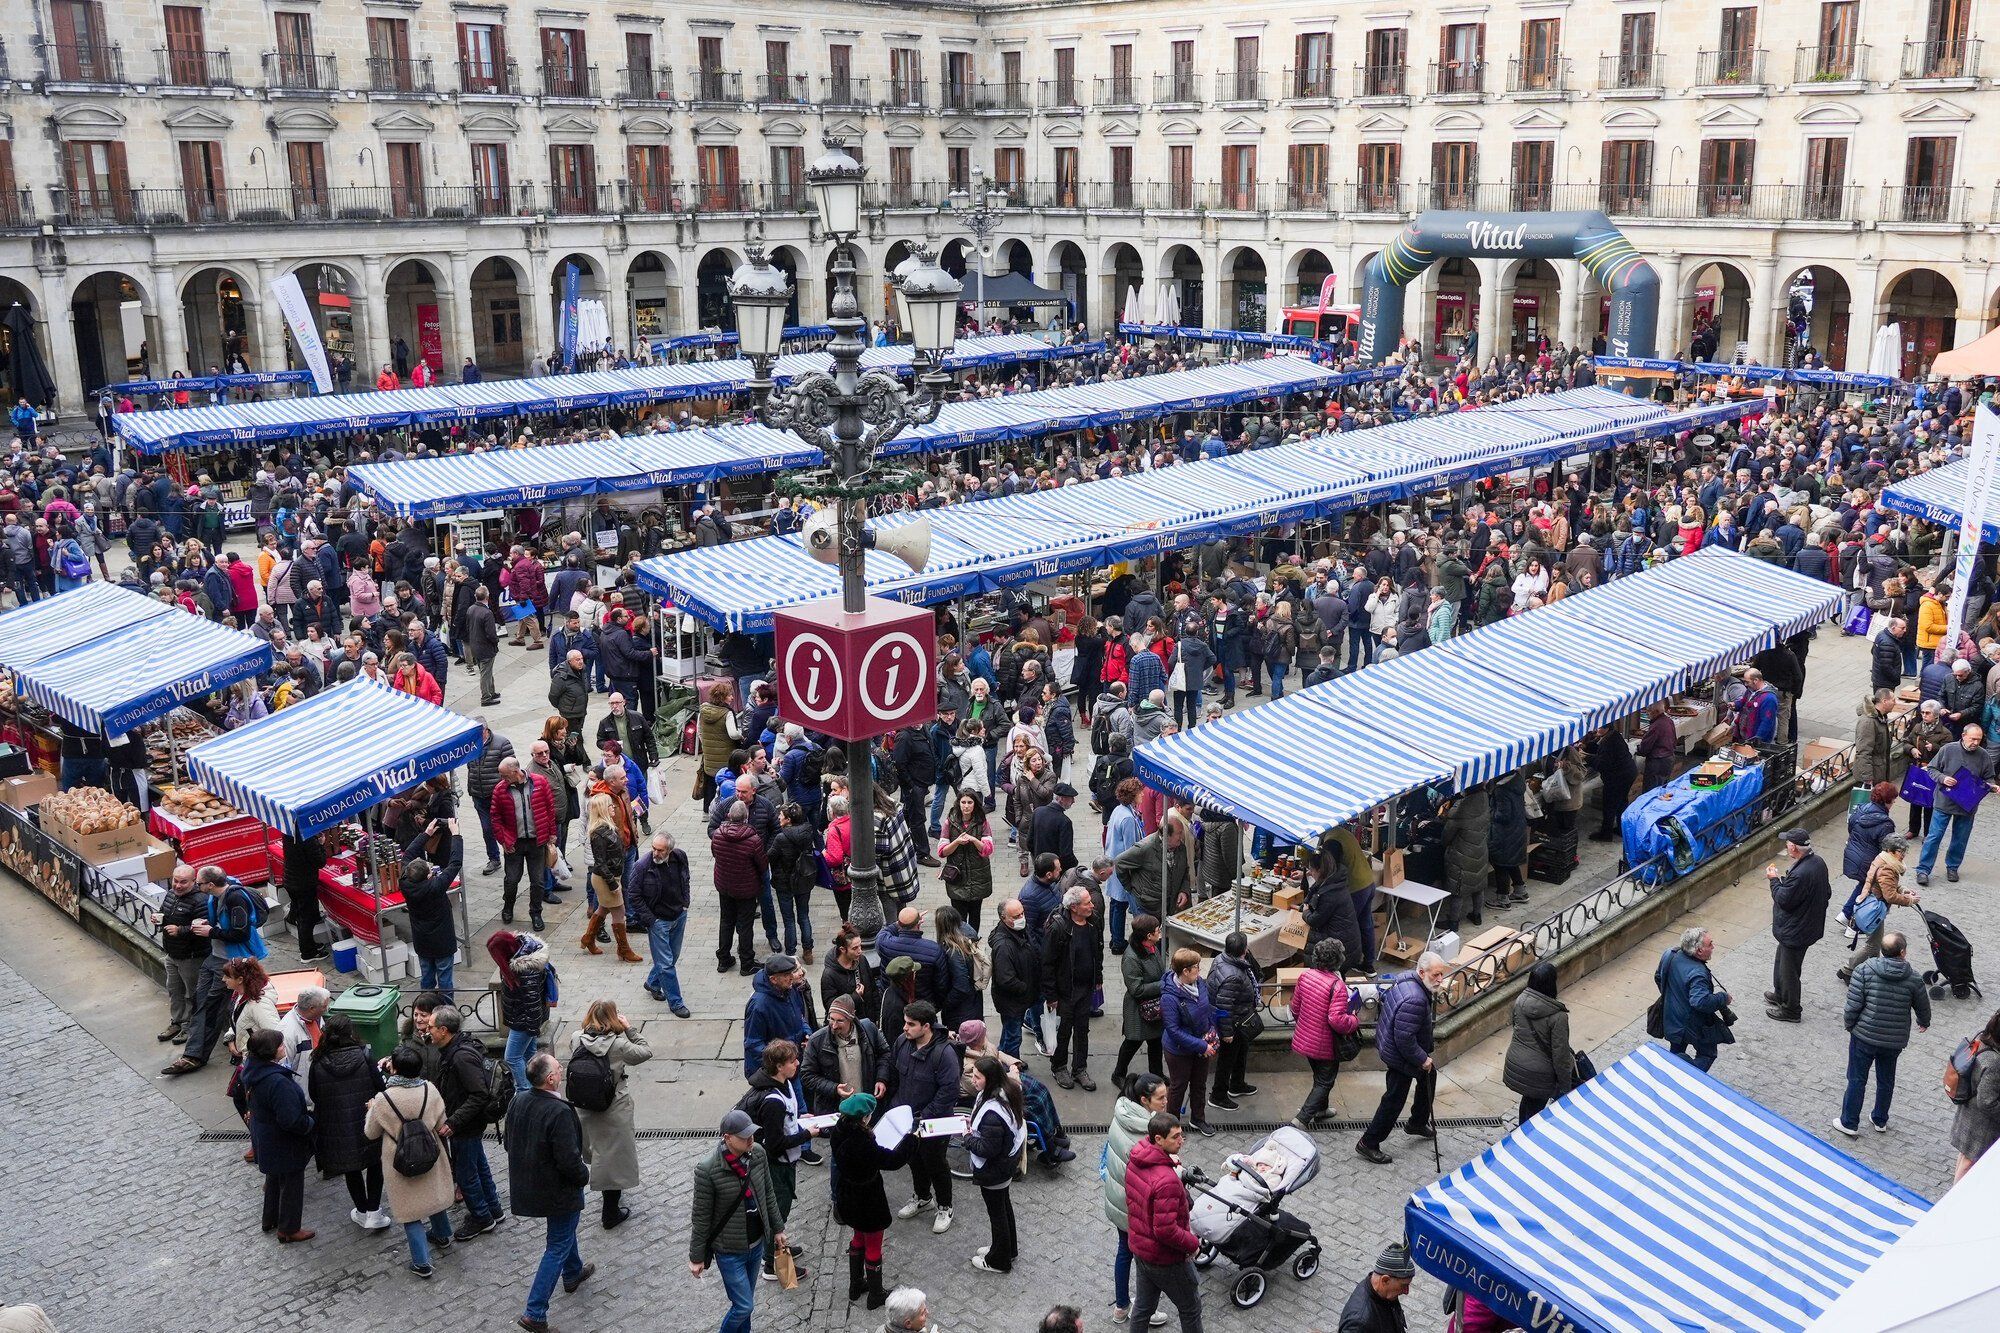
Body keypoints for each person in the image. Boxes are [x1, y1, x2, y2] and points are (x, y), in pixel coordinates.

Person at [508, 1052, 594, 1332]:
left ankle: (573, 1272)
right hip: (558, 1190)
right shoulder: (558, 1111)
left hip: (532, 1185)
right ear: (551, 1079)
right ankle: (535, 1312)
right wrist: (584, 1176)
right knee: (557, 1243)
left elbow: (510, 1142)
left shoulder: (519, 1100)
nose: (562, 1070)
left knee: (563, 1232)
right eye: (559, 1068)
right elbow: (569, 1159)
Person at [161, 865, 268, 1076]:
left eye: (198, 883)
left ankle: (195, 1056)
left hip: (230, 961)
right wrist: (206, 925)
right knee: (202, 1002)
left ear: (210, 885)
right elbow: (219, 924)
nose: (196, 887)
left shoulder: (235, 898)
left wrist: (212, 931)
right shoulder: (214, 898)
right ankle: (196, 1053)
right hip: (215, 957)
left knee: (212, 1006)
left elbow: (241, 933)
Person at [688, 1107, 789, 1333]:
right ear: (728, 1138)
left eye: (752, 1134)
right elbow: (701, 1218)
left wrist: (778, 1228)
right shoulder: (707, 1170)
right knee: (744, 1306)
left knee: (745, 1305)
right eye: (745, 1138)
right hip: (729, 1251)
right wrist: (696, 1257)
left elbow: (768, 1193)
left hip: (756, 1244)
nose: (751, 1141)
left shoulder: (759, 1154)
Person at [363, 1043, 457, 1278]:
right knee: (432, 1195)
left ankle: (422, 1262)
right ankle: (443, 1234)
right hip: (429, 1151)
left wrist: (371, 1109)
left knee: (410, 1210)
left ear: (393, 1069)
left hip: (399, 1160)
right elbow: (440, 1121)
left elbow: (371, 1132)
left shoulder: (383, 1099)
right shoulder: (430, 1089)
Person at [829, 1091, 917, 1311]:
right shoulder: (863, 1143)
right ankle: (876, 1294)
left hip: (848, 1194)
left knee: (858, 1236)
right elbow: (893, 1160)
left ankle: (855, 1284)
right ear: (864, 1118)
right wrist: (911, 1140)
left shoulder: (838, 1132)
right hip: (868, 1198)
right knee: (874, 1244)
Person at [1837, 931, 1931, 1137]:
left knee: (1856, 1079)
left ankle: (1849, 1122)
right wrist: (1924, 1023)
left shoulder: (1863, 971)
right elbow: (1923, 1006)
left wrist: (1850, 1025)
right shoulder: (1914, 978)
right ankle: (1880, 1119)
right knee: (1886, 1080)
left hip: (1864, 1036)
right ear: (1903, 952)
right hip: (1893, 1041)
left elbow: (1852, 1005)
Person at [739, 1038, 817, 1282]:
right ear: (779, 1066)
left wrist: (799, 1119)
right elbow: (775, 1144)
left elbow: (784, 1123)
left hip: (782, 1162)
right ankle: (775, 1267)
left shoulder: (783, 1084)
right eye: (792, 1061)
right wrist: (806, 1134)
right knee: (775, 1215)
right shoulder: (772, 1100)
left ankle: (775, 1250)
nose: (797, 1063)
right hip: (775, 1165)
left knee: (778, 1213)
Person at [1356, 952, 1446, 1163]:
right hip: (1400, 1056)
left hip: (1393, 1048)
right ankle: (1368, 1142)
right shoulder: (1415, 998)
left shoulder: (1407, 979)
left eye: (1442, 974)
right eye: (1436, 975)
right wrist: (1422, 1059)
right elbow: (1405, 1039)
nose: (1440, 980)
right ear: (1422, 972)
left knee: (1428, 1077)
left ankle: (1417, 1122)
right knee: (1394, 1100)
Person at [569, 998, 651, 1230]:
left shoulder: (576, 1038)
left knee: (598, 1154)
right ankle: (610, 1212)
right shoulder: (618, 1045)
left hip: (584, 1106)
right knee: (613, 1157)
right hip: (614, 1108)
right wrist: (629, 1029)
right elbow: (645, 1052)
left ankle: (608, 1199)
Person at [430, 1004, 507, 1237]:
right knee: (480, 1167)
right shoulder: (458, 1049)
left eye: (432, 1027)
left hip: (465, 1126)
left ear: (444, 1030)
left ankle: (482, 1218)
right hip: (469, 1124)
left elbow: (479, 1094)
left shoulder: (460, 1057)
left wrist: (453, 1123)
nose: (428, 1031)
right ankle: (494, 1210)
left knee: (466, 1174)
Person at [307, 1013, 389, 1230]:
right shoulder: (364, 1055)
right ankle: (374, 1211)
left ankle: (361, 1210)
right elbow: (380, 1087)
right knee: (374, 1163)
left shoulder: (318, 1061)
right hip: (367, 1120)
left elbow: (314, 1094)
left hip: (336, 1125)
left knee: (350, 1168)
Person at [1125, 1111, 1204, 1333]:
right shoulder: (1166, 1181)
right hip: (1165, 1258)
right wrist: (1192, 1243)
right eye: (1175, 1137)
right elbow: (1166, 1230)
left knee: (1143, 1306)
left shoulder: (1137, 1157)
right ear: (1158, 1139)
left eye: (1181, 1135)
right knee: (1190, 1308)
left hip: (1142, 1248)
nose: (1181, 1141)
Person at [1104, 1073, 1172, 1325]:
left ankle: (1121, 1306)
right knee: (1146, 1258)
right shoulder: (1146, 1133)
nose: (1165, 1102)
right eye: (1160, 1098)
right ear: (1144, 1100)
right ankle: (1145, 1309)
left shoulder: (1122, 1111)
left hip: (1118, 1196)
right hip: (1134, 1204)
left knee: (1124, 1252)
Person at [889, 1001, 962, 1234]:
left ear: (927, 1026)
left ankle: (945, 1206)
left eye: (911, 1024)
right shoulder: (902, 1043)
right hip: (907, 1119)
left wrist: (923, 1118)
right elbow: (894, 1074)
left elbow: (948, 1093)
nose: (905, 1028)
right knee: (914, 1160)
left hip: (933, 1123)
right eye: (905, 1022)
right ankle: (922, 1198)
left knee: (936, 1164)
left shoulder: (945, 1054)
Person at [240, 1027, 316, 1242]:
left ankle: (270, 1218)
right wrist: (309, 1123)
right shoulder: (278, 1082)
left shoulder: (253, 1071)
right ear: (270, 1052)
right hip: (284, 1142)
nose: (284, 1047)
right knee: (292, 1183)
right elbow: (291, 1120)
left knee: (274, 1178)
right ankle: (289, 1229)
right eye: (280, 1045)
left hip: (266, 1136)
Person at [1916, 722, 2000, 886]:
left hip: (1967, 805)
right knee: (1934, 837)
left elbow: (1988, 778)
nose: (1975, 742)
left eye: (1979, 739)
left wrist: (1992, 787)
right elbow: (1932, 769)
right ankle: (1923, 870)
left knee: (1960, 839)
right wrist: (1943, 778)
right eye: (1973, 739)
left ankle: (1952, 867)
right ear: (1963, 736)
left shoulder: (1983, 755)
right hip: (1944, 801)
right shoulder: (1948, 749)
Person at [1290, 938, 1360, 1127]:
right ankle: (1302, 1119)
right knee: (1325, 1081)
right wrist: (1353, 1019)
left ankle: (1321, 1109)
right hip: (1326, 1043)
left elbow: (1295, 1008)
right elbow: (1337, 1020)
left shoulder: (1306, 976)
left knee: (1319, 1076)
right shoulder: (1337, 986)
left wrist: (1306, 1024)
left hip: (1305, 1037)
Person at [966, 1054, 1026, 1273]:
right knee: (1004, 1207)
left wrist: (967, 1138)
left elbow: (987, 1149)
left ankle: (999, 1260)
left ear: (989, 1079)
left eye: (978, 1076)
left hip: (994, 1170)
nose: (973, 1080)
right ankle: (1008, 1249)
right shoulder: (1006, 1093)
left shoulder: (993, 1112)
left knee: (997, 1214)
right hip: (1005, 1166)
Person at [1765, 827, 1832, 1023]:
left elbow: (1783, 899)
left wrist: (1774, 880)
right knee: (1782, 963)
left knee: (1789, 971)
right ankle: (1780, 994)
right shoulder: (1818, 863)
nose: (1785, 845)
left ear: (1793, 848)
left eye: (1787, 843)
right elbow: (1826, 892)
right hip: (1804, 926)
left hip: (1797, 930)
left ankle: (1791, 1009)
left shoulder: (1801, 873)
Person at [1043, 882, 1104, 1091]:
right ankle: (1059, 1066)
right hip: (1064, 991)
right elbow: (1048, 964)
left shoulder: (1093, 922)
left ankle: (1080, 1068)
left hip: (1085, 988)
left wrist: (1098, 978)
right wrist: (1051, 996)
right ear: (1074, 907)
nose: (1092, 906)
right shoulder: (1059, 928)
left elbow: (1098, 951)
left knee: (1082, 1030)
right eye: (1087, 903)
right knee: (1064, 1031)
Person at [627, 832, 693, 1016]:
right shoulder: (642, 866)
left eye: (660, 850)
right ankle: (676, 1003)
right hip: (658, 921)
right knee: (666, 964)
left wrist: (685, 903)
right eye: (653, 848)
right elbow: (633, 895)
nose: (655, 853)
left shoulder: (679, 857)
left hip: (678, 916)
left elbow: (685, 878)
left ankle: (653, 982)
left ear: (669, 850)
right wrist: (652, 921)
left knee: (673, 956)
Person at [1502, 962, 1577, 1123]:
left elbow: (1516, 1027)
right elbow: (1560, 1054)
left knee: (1529, 1100)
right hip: (1540, 1073)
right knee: (1535, 1108)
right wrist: (1565, 1086)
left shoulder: (1521, 1001)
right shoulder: (1558, 1016)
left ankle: (1521, 1131)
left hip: (1516, 1064)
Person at [1841, 834, 1920, 980]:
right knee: (1873, 946)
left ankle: (1873, 970)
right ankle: (1847, 969)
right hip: (1875, 912)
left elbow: (1888, 885)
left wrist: (1903, 890)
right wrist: (1908, 900)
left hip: (1874, 909)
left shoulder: (1883, 860)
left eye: (1904, 852)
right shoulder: (1888, 868)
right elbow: (1890, 895)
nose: (1903, 855)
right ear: (1890, 851)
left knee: (1874, 944)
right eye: (1900, 852)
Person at [491, 757, 557, 930]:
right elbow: (495, 818)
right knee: (512, 879)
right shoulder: (500, 790)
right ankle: (508, 906)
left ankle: (536, 913)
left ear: (515, 772)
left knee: (538, 881)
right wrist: (503, 840)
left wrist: (552, 834)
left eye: (504, 775)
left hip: (537, 841)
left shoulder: (540, 782)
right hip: (514, 843)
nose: (501, 778)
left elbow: (550, 809)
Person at [1654, 927, 1733, 1072]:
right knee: (1708, 1054)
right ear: (1699, 951)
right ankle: (1684, 1076)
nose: (1713, 947)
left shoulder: (1670, 954)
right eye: (1710, 944)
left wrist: (1672, 998)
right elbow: (1700, 1002)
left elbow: (1658, 977)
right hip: (1693, 1025)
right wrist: (1723, 998)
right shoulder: (1698, 973)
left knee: (1676, 1053)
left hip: (1671, 1018)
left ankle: (1671, 1073)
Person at [1160, 947, 1219, 1138]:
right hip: (1178, 1051)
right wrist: (1202, 1045)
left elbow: (1206, 1009)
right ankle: (1172, 1126)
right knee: (1178, 1087)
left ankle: (1198, 1118)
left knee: (1199, 1083)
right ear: (1185, 971)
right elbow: (1174, 1031)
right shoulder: (1169, 997)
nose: (1199, 971)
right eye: (1196, 967)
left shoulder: (1199, 983)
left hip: (1202, 1044)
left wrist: (1211, 1032)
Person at [398, 822, 463, 991]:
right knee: (445, 980)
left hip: (422, 941)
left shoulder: (405, 883)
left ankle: (427, 1007)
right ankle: (446, 1012)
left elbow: (408, 854)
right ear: (428, 876)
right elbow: (455, 863)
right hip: (442, 942)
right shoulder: (436, 886)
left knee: (426, 978)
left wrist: (425, 834)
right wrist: (456, 834)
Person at [578, 792, 642, 962]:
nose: (613, 807)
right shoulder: (598, 833)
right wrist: (613, 885)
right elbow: (599, 863)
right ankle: (624, 950)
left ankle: (588, 938)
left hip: (612, 876)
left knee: (603, 908)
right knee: (619, 912)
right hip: (606, 879)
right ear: (602, 809)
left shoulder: (608, 826)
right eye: (610, 805)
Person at [491, 930, 557, 1092]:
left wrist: (532, 1029)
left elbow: (532, 1003)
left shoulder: (524, 971)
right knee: (530, 1056)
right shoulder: (521, 955)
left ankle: (525, 1090)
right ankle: (538, 1087)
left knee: (512, 1057)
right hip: (524, 1019)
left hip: (524, 1021)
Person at [803, 994, 890, 1112]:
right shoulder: (817, 1040)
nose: (834, 1025)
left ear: (851, 1018)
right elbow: (807, 1075)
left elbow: (884, 1054)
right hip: (834, 1109)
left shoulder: (869, 1030)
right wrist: (834, 1089)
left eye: (839, 1021)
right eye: (831, 1019)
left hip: (865, 1107)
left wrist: (881, 1078)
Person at [711, 801, 769, 975]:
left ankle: (723, 959)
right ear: (746, 817)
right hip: (746, 889)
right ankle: (746, 962)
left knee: (726, 921)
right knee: (745, 925)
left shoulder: (718, 835)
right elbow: (763, 865)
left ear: (729, 815)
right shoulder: (753, 840)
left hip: (724, 885)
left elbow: (715, 853)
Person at [1206, 930, 1261, 1111]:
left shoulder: (1223, 959)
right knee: (1227, 1059)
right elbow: (1224, 1005)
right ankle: (1218, 1095)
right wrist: (1227, 1033)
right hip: (1234, 1022)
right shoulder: (1234, 976)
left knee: (1240, 1052)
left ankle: (1237, 1084)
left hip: (1239, 1018)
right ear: (1244, 950)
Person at [1113, 915, 1166, 1084]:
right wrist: (1163, 985)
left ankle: (1157, 1074)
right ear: (1148, 935)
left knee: (1156, 1042)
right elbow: (1136, 989)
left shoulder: (1152, 947)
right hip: (1138, 1008)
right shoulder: (1131, 957)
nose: (1160, 932)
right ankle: (1119, 1074)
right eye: (1158, 930)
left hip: (1155, 1005)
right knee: (1132, 1042)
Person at [989, 895, 1041, 1059]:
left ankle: (1001, 1057)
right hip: (1012, 1001)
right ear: (1004, 919)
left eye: (1022, 913)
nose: (1021, 918)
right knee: (1013, 1036)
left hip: (1019, 999)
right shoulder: (1004, 946)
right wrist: (1026, 988)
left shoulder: (1018, 931)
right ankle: (1011, 1067)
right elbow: (1006, 979)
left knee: (1009, 1032)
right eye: (1016, 916)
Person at [1951, 1008, 2000, 1180]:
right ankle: (1953, 1203)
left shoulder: (1983, 1039)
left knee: (1965, 1158)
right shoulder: (1995, 1062)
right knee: (1968, 1165)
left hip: (1969, 1113)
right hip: (1981, 1124)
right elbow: (1987, 1101)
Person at [1337, 1241, 1417, 1333]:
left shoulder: (1383, 1294)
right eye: (1404, 1285)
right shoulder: (1359, 1324)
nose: (1406, 1291)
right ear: (1385, 1280)